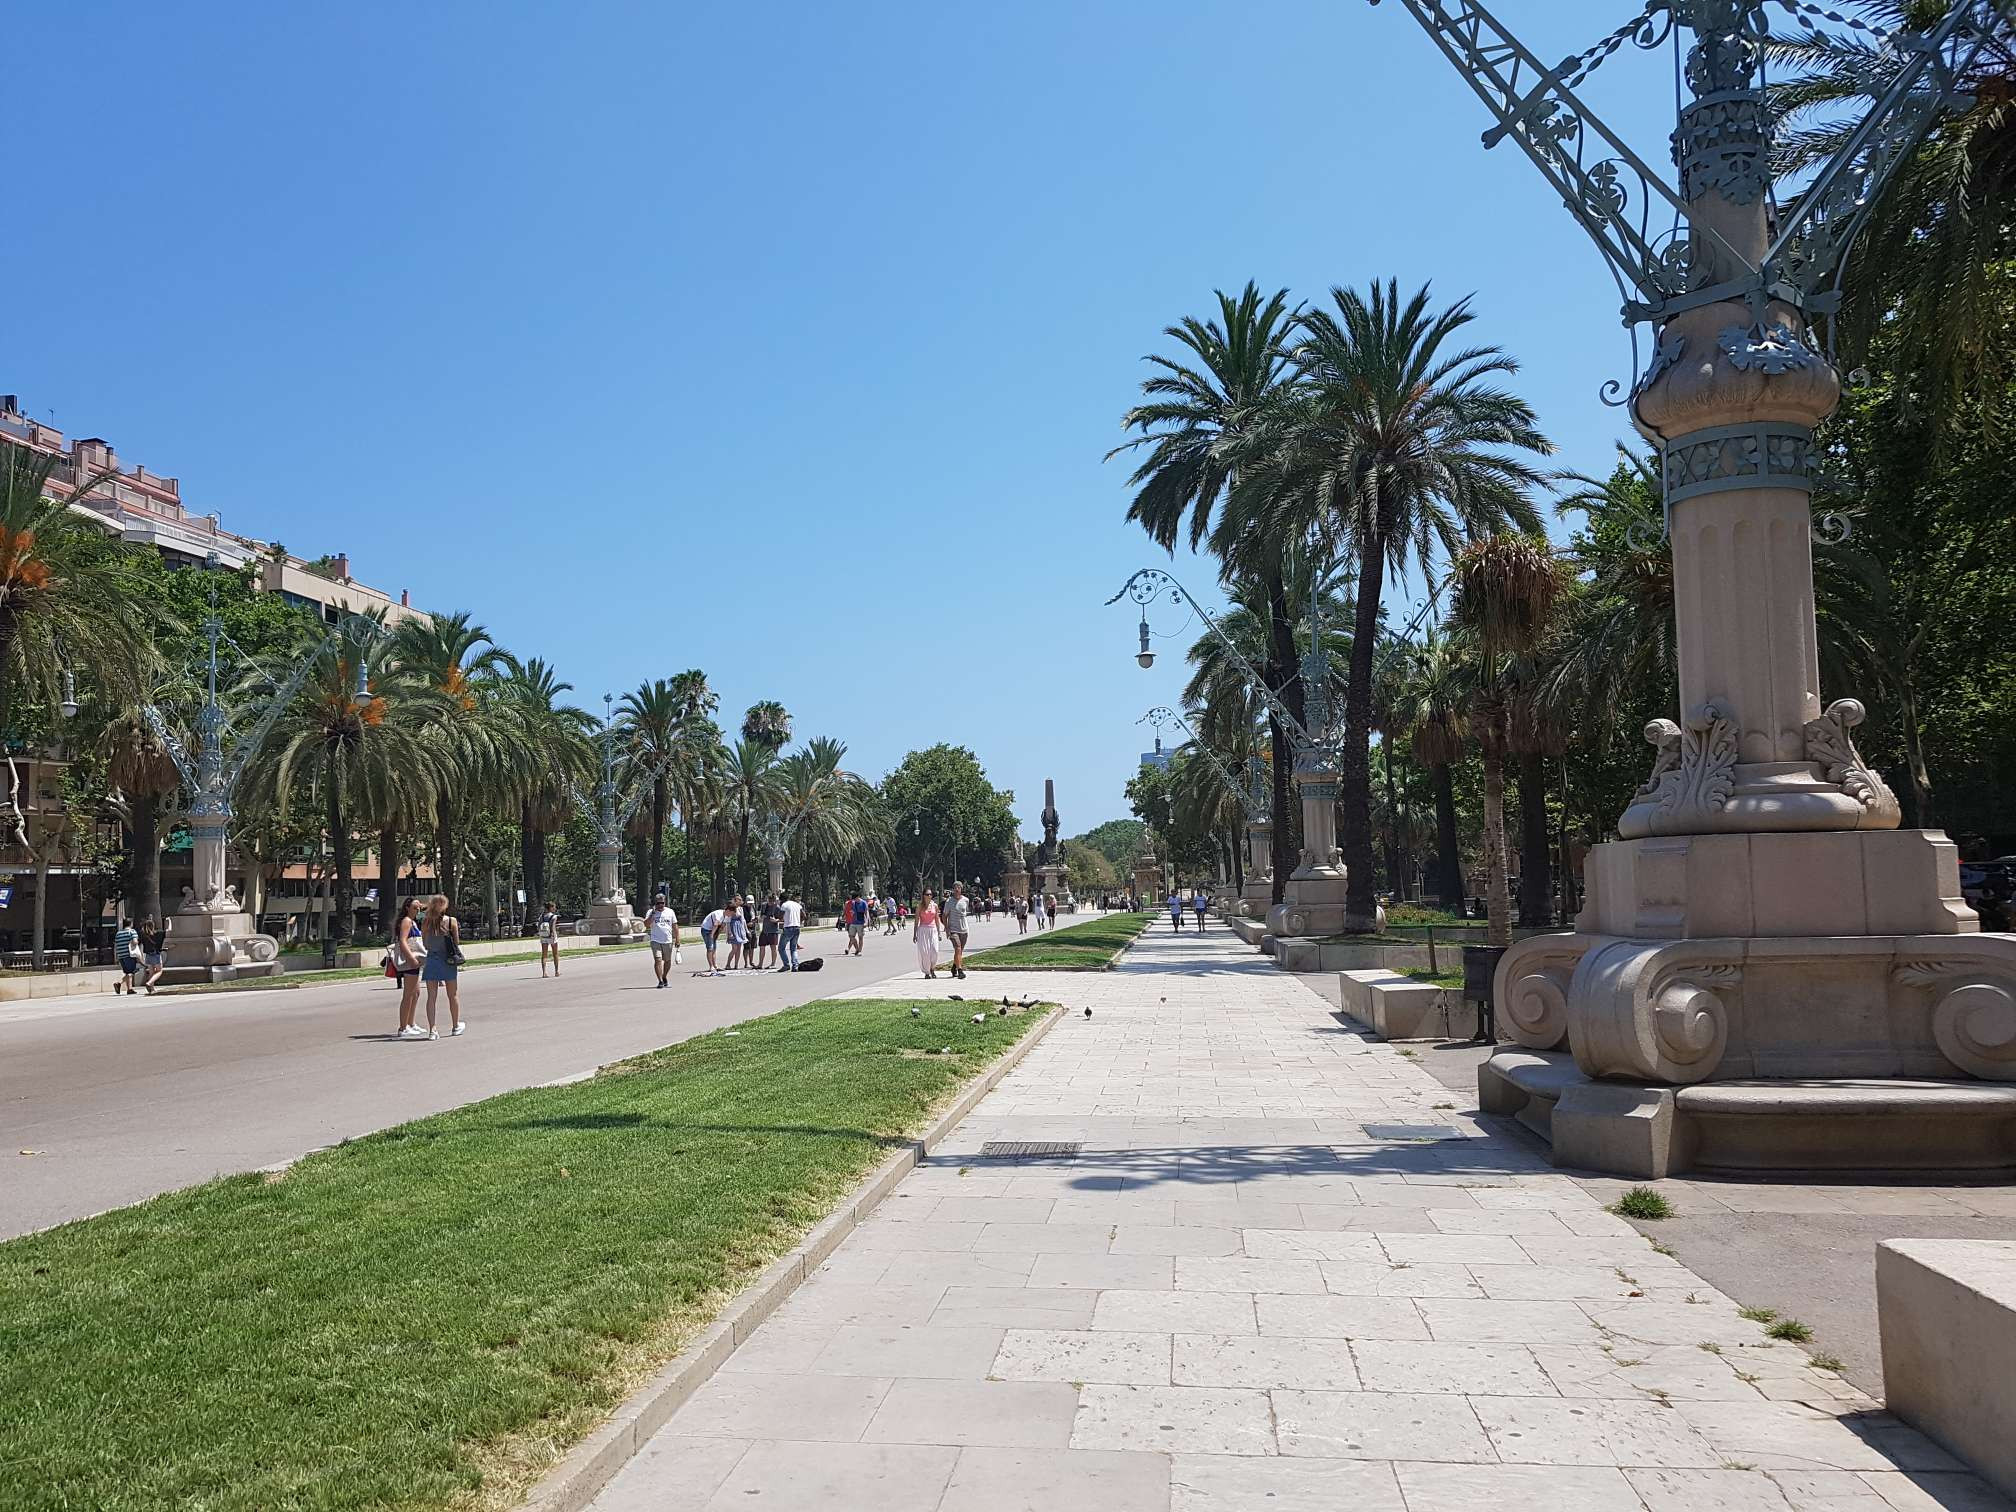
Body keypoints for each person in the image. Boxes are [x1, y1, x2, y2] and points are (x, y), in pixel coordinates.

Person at [421, 894, 465, 1038]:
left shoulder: (426, 922)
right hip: (448, 960)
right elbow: (456, 942)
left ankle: (432, 1030)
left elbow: (425, 943)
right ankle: (455, 1025)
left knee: (431, 997)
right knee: (452, 995)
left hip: (432, 960)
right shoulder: (451, 921)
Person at [391, 897, 426, 1038]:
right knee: (408, 994)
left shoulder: (413, 922)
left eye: (419, 908)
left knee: (416, 993)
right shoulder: (406, 921)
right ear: (407, 908)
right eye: (414, 908)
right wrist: (411, 958)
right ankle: (403, 1027)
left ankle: (411, 1023)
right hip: (411, 961)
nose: (417, 910)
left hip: (415, 960)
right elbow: (402, 941)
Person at [645, 894, 680, 988]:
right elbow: (647, 925)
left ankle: (664, 976)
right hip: (655, 940)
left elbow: (675, 926)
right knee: (658, 959)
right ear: (655, 903)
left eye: (662, 903)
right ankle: (660, 981)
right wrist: (653, 914)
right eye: (658, 903)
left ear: (665, 903)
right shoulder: (650, 912)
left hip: (667, 940)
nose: (660, 905)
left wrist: (677, 939)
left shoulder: (670, 912)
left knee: (667, 961)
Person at [942, 881, 972, 979]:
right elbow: (944, 916)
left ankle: (954, 967)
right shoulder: (949, 901)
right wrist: (947, 928)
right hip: (953, 930)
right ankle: (960, 970)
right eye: (955, 887)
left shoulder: (966, 900)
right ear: (953, 889)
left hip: (964, 929)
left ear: (961, 889)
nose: (957, 889)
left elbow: (965, 913)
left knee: (959, 951)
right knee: (958, 948)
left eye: (959, 887)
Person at [914, 888, 945, 978]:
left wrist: (939, 933)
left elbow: (937, 920)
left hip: (933, 930)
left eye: (930, 894)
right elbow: (916, 921)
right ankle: (927, 972)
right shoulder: (920, 906)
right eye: (927, 894)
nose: (929, 896)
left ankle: (932, 968)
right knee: (925, 952)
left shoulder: (935, 906)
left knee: (935, 950)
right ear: (923, 896)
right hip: (923, 930)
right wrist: (914, 934)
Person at [112, 917, 141, 995]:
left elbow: (116, 944)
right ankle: (119, 983)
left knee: (127, 972)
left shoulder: (118, 933)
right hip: (129, 954)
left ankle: (129, 989)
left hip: (121, 954)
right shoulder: (132, 931)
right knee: (131, 972)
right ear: (131, 924)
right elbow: (135, 942)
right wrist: (137, 942)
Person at [138, 916, 167, 994]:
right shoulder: (158, 933)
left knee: (151, 972)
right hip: (155, 954)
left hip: (148, 955)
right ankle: (149, 983)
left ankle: (152, 989)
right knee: (159, 971)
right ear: (153, 926)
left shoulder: (144, 935)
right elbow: (169, 930)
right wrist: (169, 921)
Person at [778, 889, 803, 970]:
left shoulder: (784, 905)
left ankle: (786, 965)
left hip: (788, 927)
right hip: (797, 927)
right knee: (793, 948)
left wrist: (779, 919)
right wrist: (799, 921)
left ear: (782, 899)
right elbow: (804, 915)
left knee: (781, 948)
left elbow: (780, 916)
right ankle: (795, 965)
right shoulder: (797, 904)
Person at [699, 901, 726, 976]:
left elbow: (722, 927)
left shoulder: (727, 916)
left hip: (713, 930)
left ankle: (715, 966)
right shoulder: (719, 914)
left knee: (714, 948)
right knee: (710, 948)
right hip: (706, 929)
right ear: (728, 910)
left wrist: (716, 935)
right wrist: (711, 935)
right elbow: (715, 925)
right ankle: (711, 966)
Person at [537, 899, 562, 978]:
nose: (555, 908)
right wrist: (553, 935)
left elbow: (539, 926)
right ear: (550, 908)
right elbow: (553, 927)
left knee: (544, 954)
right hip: (551, 936)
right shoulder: (554, 916)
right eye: (554, 907)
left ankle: (544, 973)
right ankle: (556, 971)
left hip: (543, 936)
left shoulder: (542, 916)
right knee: (555, 954)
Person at [726, 899, 749, 970]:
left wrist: (746, 930)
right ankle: (728, 964)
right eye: (739, 900)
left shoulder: (740, 909)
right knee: (734, 949)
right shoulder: (731, 908)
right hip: (733, 929)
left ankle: (736, 965)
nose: (740, 901)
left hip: (740, 928)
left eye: (740, 900)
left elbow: (743, 920)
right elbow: (728, 922)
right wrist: (729, 933)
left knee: (739, 948)